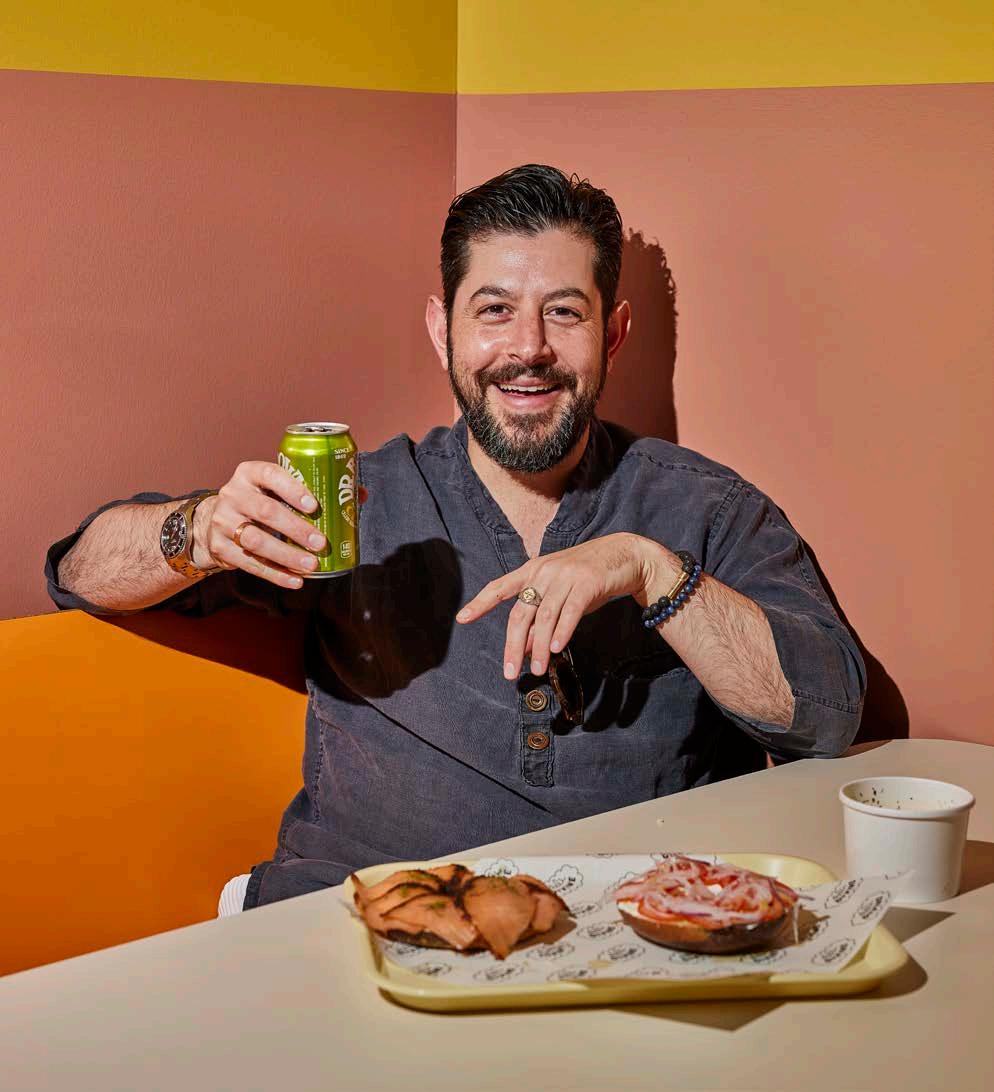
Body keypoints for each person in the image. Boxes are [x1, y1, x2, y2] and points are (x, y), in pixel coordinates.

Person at [47, 164, 865, 911]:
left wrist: (652, 573)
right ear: (443, 330)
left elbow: (827, 713)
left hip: (620, 931)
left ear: (612, 334)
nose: (528, 348)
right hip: (352, 916)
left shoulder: (706, 508)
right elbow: (79, 569)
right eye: (494, 310)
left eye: (563, 312)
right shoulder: (355, 501)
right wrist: (199, 530)